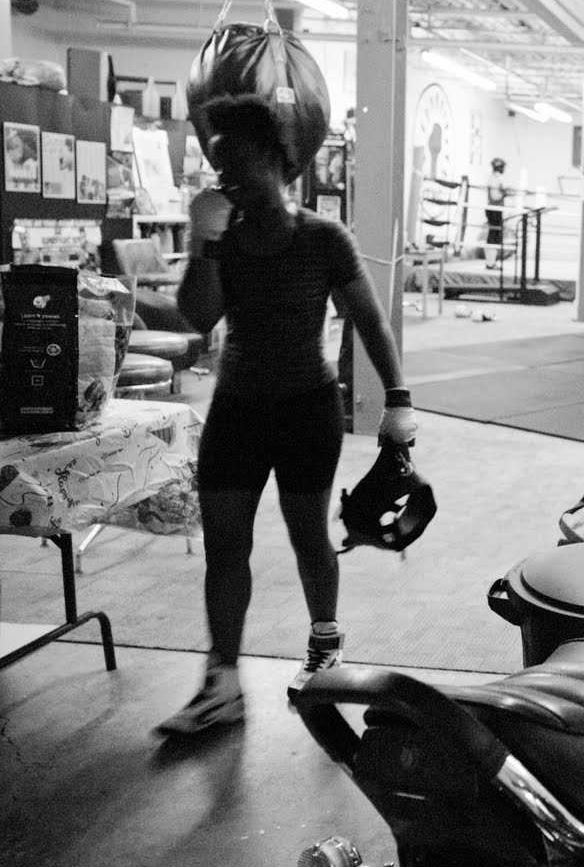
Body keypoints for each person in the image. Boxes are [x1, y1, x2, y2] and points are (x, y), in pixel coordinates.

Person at [156, 95, 417, 736]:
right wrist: (203, 242)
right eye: (219, 168)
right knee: (225, 547)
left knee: (308, 538)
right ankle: (221, 683)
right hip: (237, 409)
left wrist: (398, 400)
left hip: (306, 408)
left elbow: (370, 320)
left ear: (276, 160)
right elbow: (199, 317)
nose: (227, 180)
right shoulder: (223, 236)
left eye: (238, 164)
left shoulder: (324, 238)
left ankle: (325, 649)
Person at [484, 156, 508, 267]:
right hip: (494, 209)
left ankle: (491, 262)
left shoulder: (495, 178)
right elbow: (495, 196)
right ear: (499, 167)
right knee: (493, 235)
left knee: (494, 235)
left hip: (495, 209)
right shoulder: (494, 179)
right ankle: (490, 262)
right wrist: (505, 193)